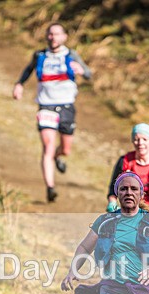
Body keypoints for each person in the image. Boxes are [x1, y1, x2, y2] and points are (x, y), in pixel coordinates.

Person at [13, 23, 92, 203]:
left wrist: (82, 71)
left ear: (64, 37)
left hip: (66, 107)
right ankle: (50, 187)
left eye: (57, 34)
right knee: (47, 146)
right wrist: (19, 84)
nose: (53, 38)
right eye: (50, 34)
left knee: (65, 149)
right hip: (46, 106)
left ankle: (58, 157)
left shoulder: (71, 55)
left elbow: (88, 73)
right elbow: (28, 70)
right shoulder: (40, 55)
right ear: (46, 36)